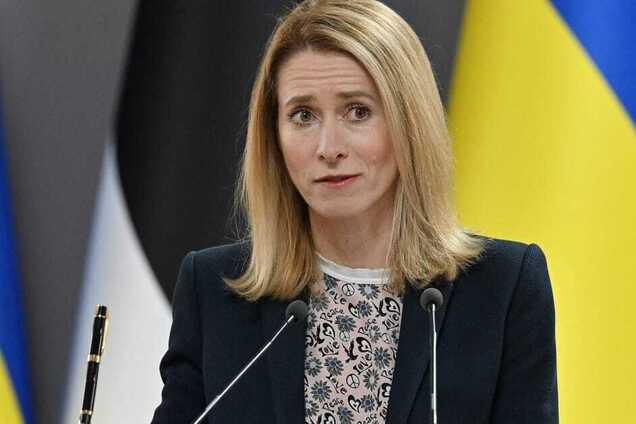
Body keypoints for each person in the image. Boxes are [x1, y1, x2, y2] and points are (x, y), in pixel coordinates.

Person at [151, 0, 558, 423]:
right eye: (303, 115)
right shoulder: (213, 290)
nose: (329, 148)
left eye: (357, 112)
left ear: (410, 123)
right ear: (274, 135)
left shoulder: (504, 288)